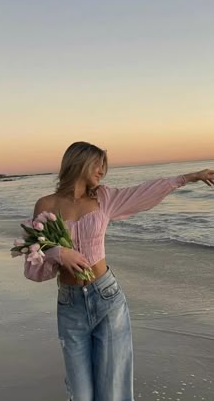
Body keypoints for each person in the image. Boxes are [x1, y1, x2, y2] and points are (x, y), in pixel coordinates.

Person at [24, 141, 214, 401]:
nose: (102, 171)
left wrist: (188, 177)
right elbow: (34, 253)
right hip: (70, 304)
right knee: (80, 393)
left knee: (113, 389)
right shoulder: (45, 204)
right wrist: (59, 252)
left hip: (107, 298)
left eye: (104, 166)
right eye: (98, 164)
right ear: (78, 162)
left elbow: (144, 191)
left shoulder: (104, 198)